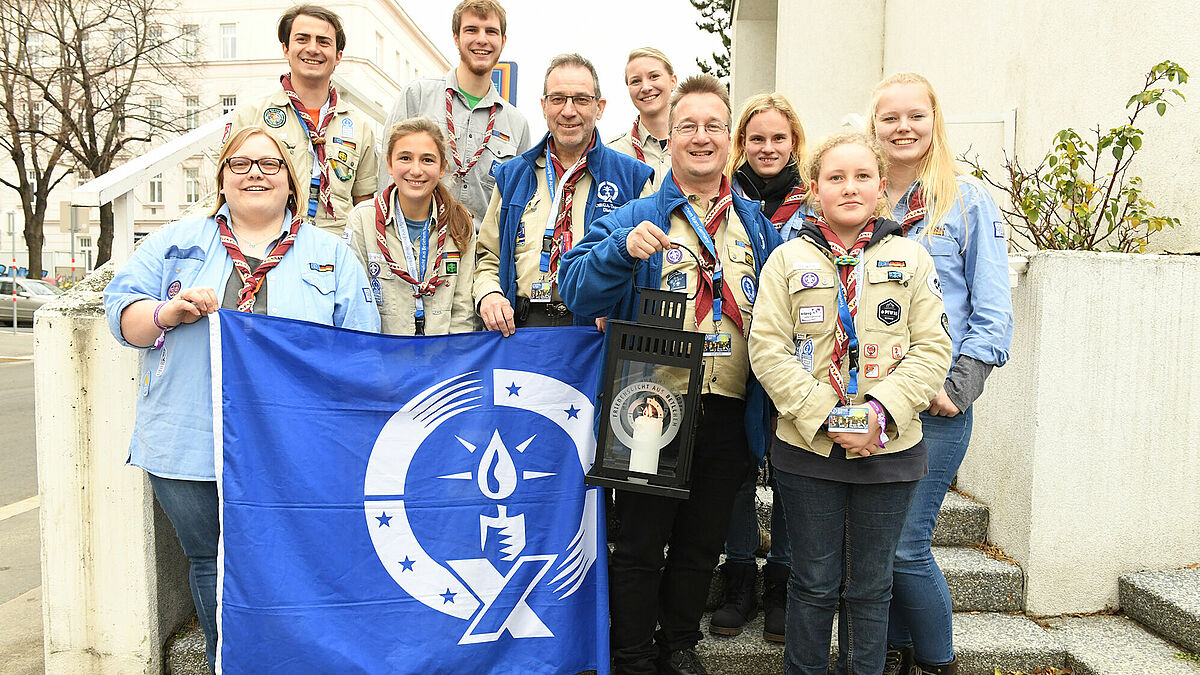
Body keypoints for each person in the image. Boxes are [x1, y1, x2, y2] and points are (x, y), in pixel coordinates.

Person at [103, 126, 379, 672]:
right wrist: (168, 312)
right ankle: (227, 660)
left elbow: (360, 349)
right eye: (241, 164)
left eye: (270, 165)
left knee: (296, 558)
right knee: (212, 561)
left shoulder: (331, 254)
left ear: (293, 184)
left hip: (296, 449)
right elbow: (123, 318)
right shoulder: (175, 242)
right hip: (189, 443)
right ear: (222, 179)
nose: (256, 173)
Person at [559, 74, 782, 675]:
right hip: (650, 402)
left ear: (730, 139)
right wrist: (619, 252)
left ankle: (678, 646)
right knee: (638, 545)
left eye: (714, 126)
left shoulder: (757, 226)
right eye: (688, 126)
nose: (701, 137)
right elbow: (575, 290)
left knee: (700, 543)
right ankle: (631, 655)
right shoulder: (636, 214)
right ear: (671, 137)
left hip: (731, 407)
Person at [747, 132, 951, 675]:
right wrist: (827, 414)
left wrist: (878, 415)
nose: (849, 187)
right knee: (812, 581)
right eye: (835, 177)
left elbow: (933, 348)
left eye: (862, 176)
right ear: (814, 190)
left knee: (871, 585)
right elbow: (766, 349)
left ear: (882, 188)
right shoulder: (786, 259)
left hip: (889, 450)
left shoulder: (910, 256)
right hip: (809, 447)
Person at [869, 73, 1013, 675]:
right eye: (890, 118)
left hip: (936, 404)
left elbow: (993, 311)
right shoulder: (861, 197)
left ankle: (936, 663)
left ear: (935, 120)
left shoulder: (968, 200)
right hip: (876, 402)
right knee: (879, 548)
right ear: (873, 127)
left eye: (915, 116)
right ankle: (899, 656)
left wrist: (958, 387)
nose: (903, 128)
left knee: (905, 546)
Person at [711, 91, 809, 643]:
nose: (767, 148)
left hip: (801, 362)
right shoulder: (726, 204)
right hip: (738, 357)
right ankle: (740, 577)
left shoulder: (814, 204)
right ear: (740, 146)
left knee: (792, 471)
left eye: (778, 138)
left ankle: (783, 584)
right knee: (737, 472)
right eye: (756, 139)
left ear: (795, 141)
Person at [473, 53, 653, 335]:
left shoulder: (632, 178)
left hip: (594, 333)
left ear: (600, 107)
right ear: (544, 106)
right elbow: (487, 256)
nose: (569, 111)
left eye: (581, 99)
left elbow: (648, 265)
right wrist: (489, 294)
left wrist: (624, 309)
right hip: (521, 331)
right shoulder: (512, 176)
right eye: (558, 99)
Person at [228, 4, 378, 238]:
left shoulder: (359, 126)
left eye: (323, 42)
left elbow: (364, 202)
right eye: (302, 39)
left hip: (334, 250)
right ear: (286, 49)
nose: (312, 49)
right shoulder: (251, 116)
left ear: (338, 56)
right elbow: (228, 188)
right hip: (268, 244)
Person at [380, 0, 532, 227]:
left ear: (503, 40)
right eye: (471, 30)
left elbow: (518, 203)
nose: (482, 39)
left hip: (481, 256)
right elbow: (386, 173)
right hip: (415, 245)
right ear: (456, 37)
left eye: (491, 31)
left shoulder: (516, 124)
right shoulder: (418, 95)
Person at [347, 117, 477, 335]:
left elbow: (463, 310)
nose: (416, 170)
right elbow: (357, 303)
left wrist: (454, 360)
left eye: (427, 160)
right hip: (384, 357)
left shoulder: (461, 223)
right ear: (389, 163)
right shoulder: (363, 219)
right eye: (405, 158)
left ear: (442, 167)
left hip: (442, 359)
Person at [608, 47, 677, 188]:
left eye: (654, 76)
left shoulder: (697, 146)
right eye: (635, 81)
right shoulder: (613, 154)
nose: (645, 87)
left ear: (673, 81)